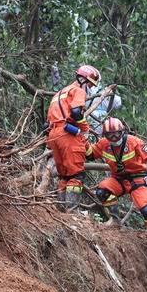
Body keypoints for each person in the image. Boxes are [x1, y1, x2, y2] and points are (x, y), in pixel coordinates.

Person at [85, 117, 147, 255]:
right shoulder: (103, 144)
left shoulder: (133, 141)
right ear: (104, 135)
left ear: (122, 132)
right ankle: (115, 221)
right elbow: (90, 155)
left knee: (146, 210)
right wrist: (82, 137)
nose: (113, 137)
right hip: (118, 179)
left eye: (116, 133)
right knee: (101, 191)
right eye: (109, 134)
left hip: (138, 179)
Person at [45, 65, 99, 211]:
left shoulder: (60, 93)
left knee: (64, 176)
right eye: (89, 84)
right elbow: (76, 112)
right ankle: (72, 212)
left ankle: (62, 211)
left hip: (53, 136)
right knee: (76, 174)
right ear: (82, 79)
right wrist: (85, 128)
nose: (89, 87)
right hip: (67, 135)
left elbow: (47, 122)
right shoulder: (78, 90)